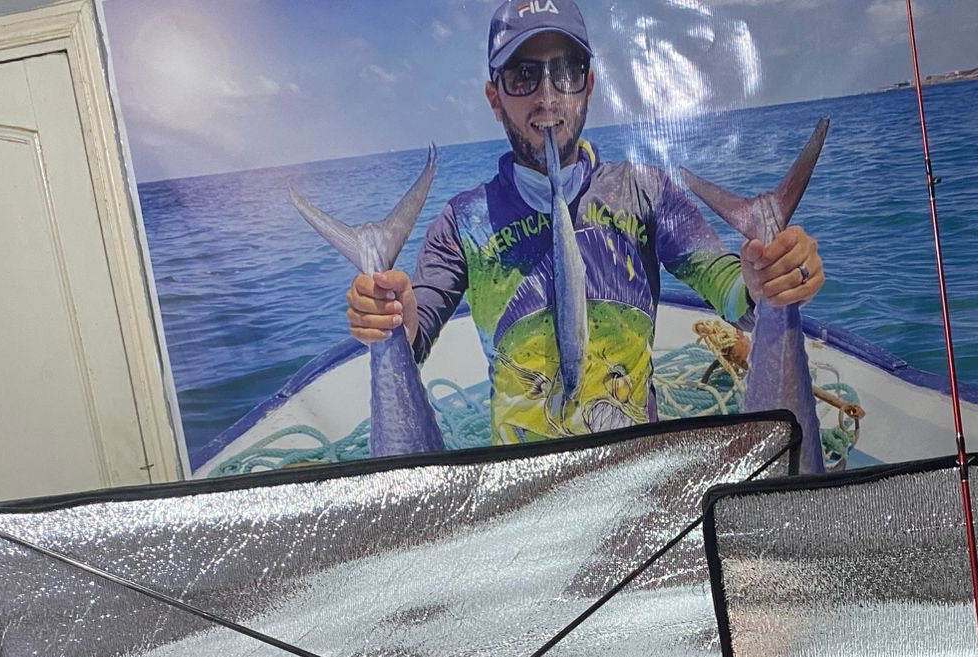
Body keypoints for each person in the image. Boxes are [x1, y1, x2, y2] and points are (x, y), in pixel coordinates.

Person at [345, 0, 826, 443]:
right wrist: (392, 316)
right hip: (521, 485)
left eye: (566, 71)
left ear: (589, 85)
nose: (547, 95)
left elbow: (731, 292)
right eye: (523, 75)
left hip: (635, 469)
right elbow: (417, 330)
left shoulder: (646, 193)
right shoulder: (462, 224)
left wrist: (766, 279)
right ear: (494, 98)